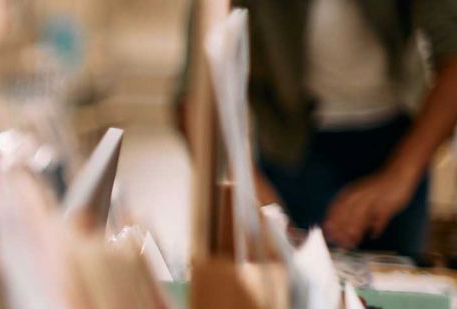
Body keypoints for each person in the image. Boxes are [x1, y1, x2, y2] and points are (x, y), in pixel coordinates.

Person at [181, 0, 457, 256]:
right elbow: (195, 94)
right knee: (287, 291)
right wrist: (245, 183)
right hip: (289, 144)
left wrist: (400, 176)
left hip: (398, 138)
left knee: (396, 290)